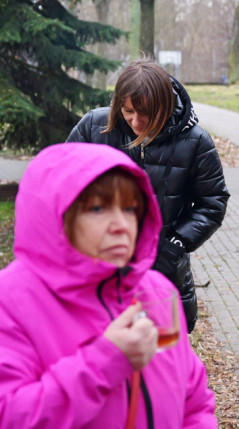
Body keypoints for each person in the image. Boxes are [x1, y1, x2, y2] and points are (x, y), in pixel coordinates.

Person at [0, 143, 221, 429]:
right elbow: (8, 423)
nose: (122, 225)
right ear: (57, 217)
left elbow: (194, 399)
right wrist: (103, 362)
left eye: (132, 208)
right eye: (98, 209)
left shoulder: (158, 294)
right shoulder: (13, 300)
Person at [68, 60, 229, 333]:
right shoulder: (93, 128)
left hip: (163, 277)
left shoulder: (196, 142)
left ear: (165, 105)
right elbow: (63, 186)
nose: (136, 121)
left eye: (147, 113)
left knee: (161, 364)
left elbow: (212, 203)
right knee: (99, 363)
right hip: (96, 277)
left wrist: (176, 245)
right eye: (128, 111)